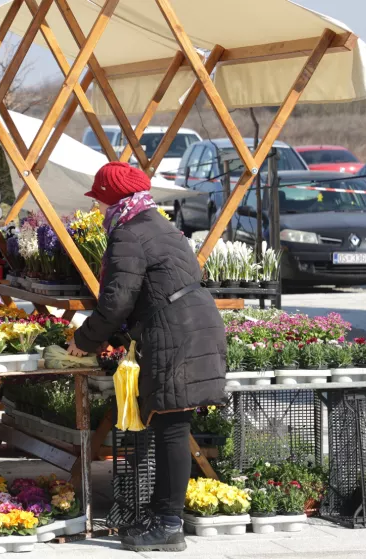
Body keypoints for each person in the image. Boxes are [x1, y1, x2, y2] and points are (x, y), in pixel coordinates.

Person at [67, 162, 227, 553]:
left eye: (100, 198)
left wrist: (83, 341)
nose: (98, 206)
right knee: (168, 427)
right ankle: (160, 518)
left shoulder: (128, 233)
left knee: (172, 429)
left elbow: (117, 301)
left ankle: (169, 527)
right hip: (192, 324)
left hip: (177, 334)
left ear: (111, 197)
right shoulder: (156, 223)